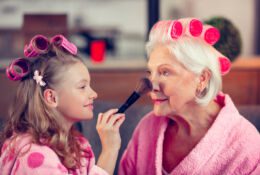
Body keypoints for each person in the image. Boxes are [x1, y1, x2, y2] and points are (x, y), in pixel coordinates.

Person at [119, 18, 260, 175]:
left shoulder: (246, 146)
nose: (152, 85)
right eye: (151, 73)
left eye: (165, 72)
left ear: (202, 78)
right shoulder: (147, 128)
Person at [0, 34, 125, 175]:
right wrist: (109, 150)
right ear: (52, 97)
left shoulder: (78, 146)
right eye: (82, 87)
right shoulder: (35, 156)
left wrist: (112, 147)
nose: (94, 94)